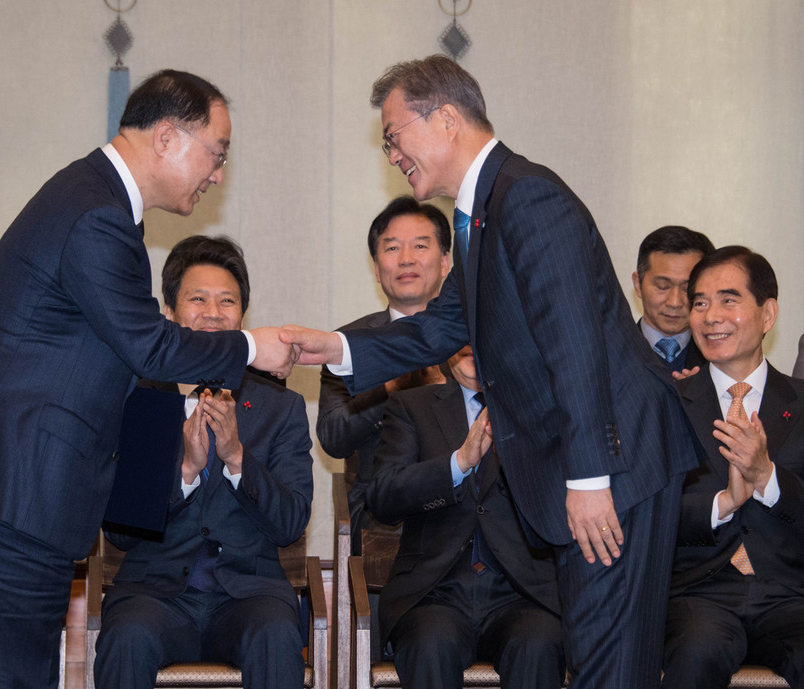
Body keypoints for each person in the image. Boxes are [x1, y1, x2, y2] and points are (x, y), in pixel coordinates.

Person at [281, 54, 699, 688]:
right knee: (595, 659)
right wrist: (334, 349)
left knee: (611, 666)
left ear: (446, 119)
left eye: (394, 136)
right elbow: (440, 327)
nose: (391, 153)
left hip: (617, 466)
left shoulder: (526, 196)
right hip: (595, 465)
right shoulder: (477, 214)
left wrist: (589, 478)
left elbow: (574, 342)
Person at [0, 69, 295, 689]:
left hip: (16, 485)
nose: (217, 173)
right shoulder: (96, 215)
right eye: (216, 154)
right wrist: (250, 345)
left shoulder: (94, 201)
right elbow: (150, 346)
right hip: (12, 483)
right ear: (167, 137)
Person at [94, 235, 313, 689]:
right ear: (170, 312)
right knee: (126, 637)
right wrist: (185, 474)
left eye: (227, 301)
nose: (213, 313)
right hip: (155, 595)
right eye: (198, 299)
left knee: (276, 635)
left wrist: (235, 457)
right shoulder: (142, 399)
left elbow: (291, 521)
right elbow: (118, 531)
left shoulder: (280, 406)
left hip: (249, 596)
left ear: (242, 316)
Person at [368, 344, 564, 689]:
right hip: (434, 592)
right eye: (462, 335)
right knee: (430, 643)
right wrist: (458, 463)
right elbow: (384, 496)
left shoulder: (540, 408)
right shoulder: (412, 406)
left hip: (520, 592)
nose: (473, 345)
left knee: (538, 642)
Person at [663, 246, 804, 688]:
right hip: (699, 593)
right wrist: (722, 502)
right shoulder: (664, 403)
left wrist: (768, 479)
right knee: (695, 653)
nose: (710, 316)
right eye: (700, 303)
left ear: (768, 314)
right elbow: (647, 507)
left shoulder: (801, 402)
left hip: (791, 593)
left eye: (728, 299)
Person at [317, 195, 451, 553]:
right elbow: (333, 435)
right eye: (392, 248)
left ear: (446, 261)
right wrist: (390, 388)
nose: (406, 259)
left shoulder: (477, 337)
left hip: (465, 496)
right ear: (376, 268)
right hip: (384, 511)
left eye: (420, 245)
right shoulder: (347, 344)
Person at [631, 225, 714, 374]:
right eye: (662, 286)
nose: (674, 302)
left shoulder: (720, 359)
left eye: (687, 288)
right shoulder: (611, 354)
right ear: (638, 284)